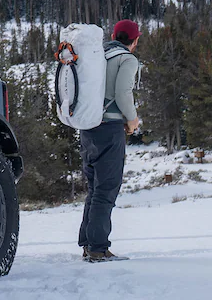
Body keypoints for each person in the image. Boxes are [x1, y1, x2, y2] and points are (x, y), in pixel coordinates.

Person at [79, 19, 142, 263]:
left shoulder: (98, 55)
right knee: (106, 189)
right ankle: (98, 248)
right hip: (110, 128)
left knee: (94, 188)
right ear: (134, 41)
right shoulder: (127, 59)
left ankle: (88, 243)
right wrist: (133, 120)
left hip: (88, 127)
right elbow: (123, 93)